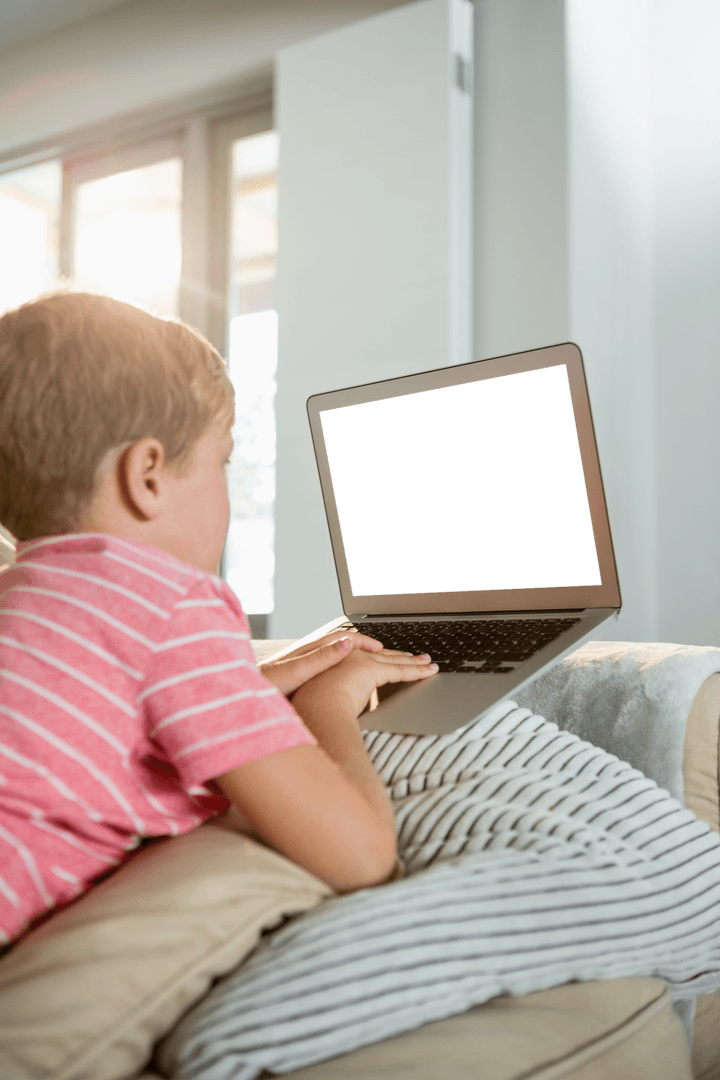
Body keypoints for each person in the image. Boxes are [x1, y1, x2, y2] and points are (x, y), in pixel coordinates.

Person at [0, 292, 438, 946]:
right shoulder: (166, 600)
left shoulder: (22, 598)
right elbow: (363, 857)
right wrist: (327, 700)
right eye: (222, 461)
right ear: (147, 474)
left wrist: (240, 681)